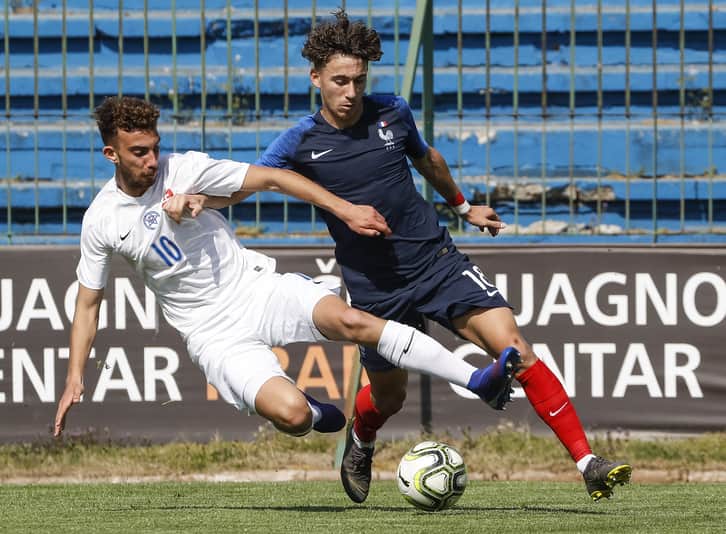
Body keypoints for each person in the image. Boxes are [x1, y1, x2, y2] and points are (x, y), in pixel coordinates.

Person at [247, 10, 632, 502]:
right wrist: (195, 198)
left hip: (436, 262)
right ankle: (361, 440)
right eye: (339, 81)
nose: (350, 92)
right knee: (390, 397)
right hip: (375, 288)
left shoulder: (392, 112)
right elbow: (252, 180)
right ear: (316, 77)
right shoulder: (300, 141)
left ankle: (587, 463)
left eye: (358, 81)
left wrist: (465, 206)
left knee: (514, 345)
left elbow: (428, 159)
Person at [53, 96, 520, 448]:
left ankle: (474, 379)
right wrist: (75, 375)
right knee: (292, 416)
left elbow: (273, 177)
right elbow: (88, 302)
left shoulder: (186, 168)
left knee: (354, 322)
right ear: (111, 154)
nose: (152, 162)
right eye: (138, 153)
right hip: (212, 334)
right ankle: (314, 413)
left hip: (256, 288)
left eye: (155, 149)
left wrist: (344, 209)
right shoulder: (101, 220)